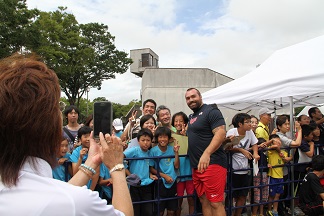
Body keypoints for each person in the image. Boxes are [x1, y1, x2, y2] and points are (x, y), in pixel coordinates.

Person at [0, 54, 133, 215]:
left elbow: (61, 194)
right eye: (59, 108)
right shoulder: (75, 202)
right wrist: (117, 166)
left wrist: (91, 162)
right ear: (46, 125)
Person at [185, 88, 227, 216]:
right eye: (188, 98)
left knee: (215, 202)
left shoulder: (211, 111)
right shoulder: (191, 117)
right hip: (197, 166)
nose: (191, 100)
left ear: (200, 96)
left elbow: (221, 132)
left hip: (212, 163)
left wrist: (207, 153)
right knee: (204, 201)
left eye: (193, 96)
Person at [226, 113, 260, 216]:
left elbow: (254, 144)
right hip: (233, 168)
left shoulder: (249, 132)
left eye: (251, 122)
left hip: (245, 168)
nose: (250, 124)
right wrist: (241, 150)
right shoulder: (232, 132)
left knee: (243, 195)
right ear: (240, 124)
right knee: (230, 194)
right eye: (248, 122)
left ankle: (238, 214)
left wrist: (255, 153)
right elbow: (227, 148)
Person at [124, 128, 157, 216]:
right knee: (136, 210)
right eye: (143, 140)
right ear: (138, 141)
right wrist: (130, 174)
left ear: (151, 141)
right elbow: (121, 157)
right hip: (135, 185)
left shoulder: (150, 153)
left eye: (148, 140)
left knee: (148, 211)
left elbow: (148, 166)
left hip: (146, 184)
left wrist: (150, 174)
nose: (145, 142)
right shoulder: (135, 150)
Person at [149, 127, 180, 216]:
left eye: (165, 137)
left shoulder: (172, 149)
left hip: (172, 181)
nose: (162, 139)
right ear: (157, 138)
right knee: (160, 211)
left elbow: (176, 166)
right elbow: (151, 168)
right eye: (160, 137)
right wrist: (164, 176)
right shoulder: (153, 151)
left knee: (171, 211)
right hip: (160, 183)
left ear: (169, 138)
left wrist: (176, 153)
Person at [171, 112, 195, 216]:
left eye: (181, 121)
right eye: (176, 121)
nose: (178, 123)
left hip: (190, 171)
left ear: (185, 122)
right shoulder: (171, 136)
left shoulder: (191, 134)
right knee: (179, 199)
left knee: (191, 198)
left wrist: (186, 136)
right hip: (178, 173)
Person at [70, 126, 99, 190]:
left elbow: (96, 173)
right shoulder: (76, 152)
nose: (88, 139)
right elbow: (75, 173)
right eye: (85, 137)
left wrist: (91, 190)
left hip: (92, 187)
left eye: (90, 136)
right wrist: (80, 158)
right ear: (80, 140)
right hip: (78, 187)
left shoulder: (96, 150)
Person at [266, 134, 288, 216]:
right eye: (276, 141)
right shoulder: (270, 151)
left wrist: (280, 152)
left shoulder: (284, 152)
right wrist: (272, 142)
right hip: (272, 176)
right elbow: (266, 147)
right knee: (271, 195)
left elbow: (286, 160)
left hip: (280, 176)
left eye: (279, 141)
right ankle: (269, 210)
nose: (278, 143)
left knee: (278, 195)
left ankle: (275, 211)